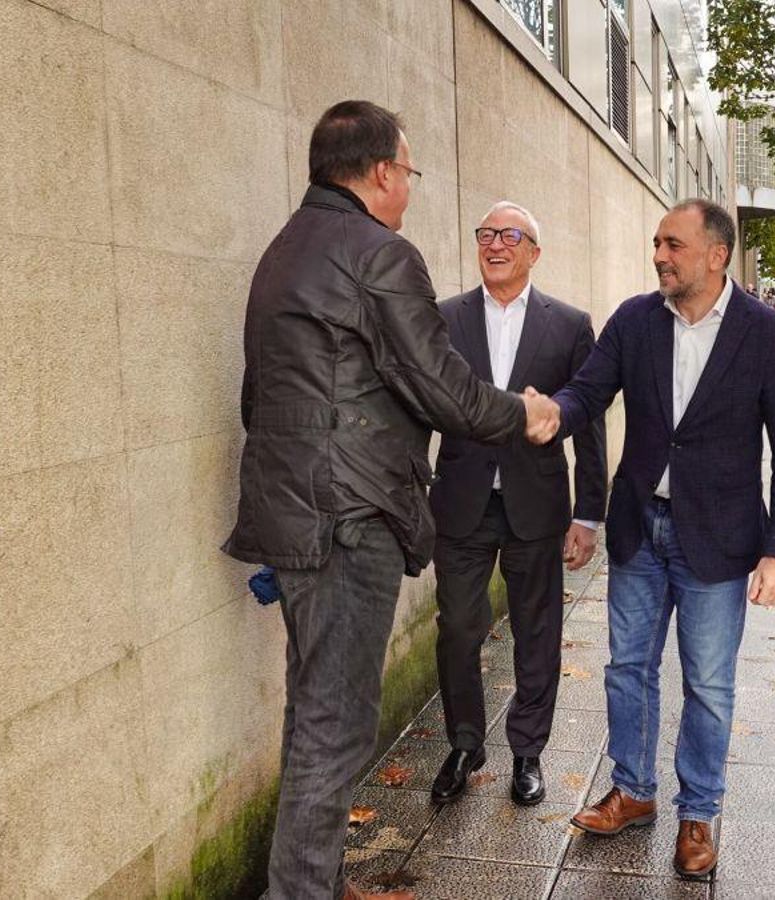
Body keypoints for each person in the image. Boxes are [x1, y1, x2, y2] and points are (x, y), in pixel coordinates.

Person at [221, 100, 557, 900]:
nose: (409, 187)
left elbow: (254, 397)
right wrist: (525, 412)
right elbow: (443, 388)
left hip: (296, 517)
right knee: (336, 727)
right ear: (380, 173)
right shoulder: (379, 254)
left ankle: (315, 880)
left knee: (315, 716)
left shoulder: (284, 252)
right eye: (408, 172)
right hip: (349, 519)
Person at [528, 199, 775, 879]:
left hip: (719, 537)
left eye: (674, 244)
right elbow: (587, 394)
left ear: (717, 254)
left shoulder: (764, 332)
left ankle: (698, 812)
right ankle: (633, 790)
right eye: (656, 242)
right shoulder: (634, 320)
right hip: (640, 528)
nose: (659, 255)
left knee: (709, 685)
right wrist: (549, 415)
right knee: (628, 667)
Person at [426, 201, 608, 808]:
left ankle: (528, 751)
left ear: (534, 250)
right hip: (462, 503)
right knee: (456, 628)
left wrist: (589, 513)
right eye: (485, 234)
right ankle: (464, 743)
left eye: (510, 235)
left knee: (538, 631)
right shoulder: (443, 319)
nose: (495, 244)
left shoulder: (569, 324)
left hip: (537, 503)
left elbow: (590, 423)